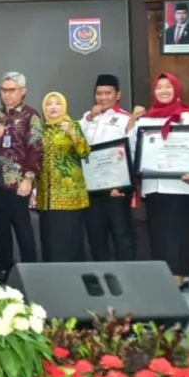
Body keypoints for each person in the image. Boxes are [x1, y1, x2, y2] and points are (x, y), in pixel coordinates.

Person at [128, 73, 189, 289]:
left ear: (176, 90)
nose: (163, 91)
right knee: (159, 230)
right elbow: (133, 148)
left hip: (183, 183)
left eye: (168, 86)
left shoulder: (188, 116)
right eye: (159, 87)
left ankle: (182, 273)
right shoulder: (145, 119)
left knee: (182, 228)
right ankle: (165, 274)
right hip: (155, 184)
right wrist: (133, 122)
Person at [0, 72, 42, 278]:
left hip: (19, 182)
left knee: (22, 226)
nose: (7, 94)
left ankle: (30, 271)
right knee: (0, 228)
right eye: (4, 90)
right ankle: (4, 269)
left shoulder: (31, 116)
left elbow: (36, 149)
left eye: (12, 90)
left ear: (23, 91)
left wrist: (28, 178)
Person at [79, 73, 136, 262]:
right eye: (99, 93)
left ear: (117, 95)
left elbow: (132, 151)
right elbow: (78, 143)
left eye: (108, 93)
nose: (103, 97)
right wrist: (90, 118)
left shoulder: (125, 119)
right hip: (92, 187)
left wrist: (121, 185)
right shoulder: (87, 118)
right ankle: (101, 273)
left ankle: (127, 274)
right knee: (95, 235)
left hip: (116, 188)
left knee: (121, 233)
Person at [37, 92, 90, 262]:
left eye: (57, 103)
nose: (53, 107)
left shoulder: (72, 125)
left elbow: (85, 152)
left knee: (69, 239)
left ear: (64, 106)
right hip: (47, 197)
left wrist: (72, 134)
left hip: (69, 194)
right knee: (51, 242)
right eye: (49, 104)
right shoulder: (42, 131)